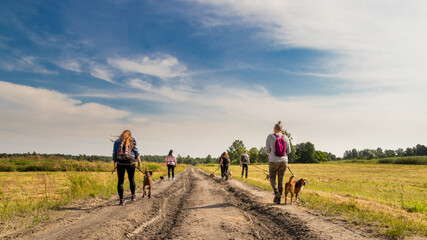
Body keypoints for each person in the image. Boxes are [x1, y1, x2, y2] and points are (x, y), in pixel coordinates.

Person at [113, 129, 142, 205]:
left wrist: (115, 165)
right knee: (131, 179)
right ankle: (133, 196)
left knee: (120, 181)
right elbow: (136, 151)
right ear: (129, 135)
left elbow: (115, 153)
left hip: (120, 163)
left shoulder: (117, 142)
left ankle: (121, 200)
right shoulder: (132, 139)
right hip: (130, 162)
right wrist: (139, 162)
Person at [266, 121, 291, 204]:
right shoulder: (286, 137)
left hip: (273, 160)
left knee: (272, 178)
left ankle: (276, 193)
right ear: (281, 129)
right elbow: (289, 151)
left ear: (274, 129)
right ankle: (279, 198)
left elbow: (267, 150)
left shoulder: (270, 137)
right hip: (284, 161)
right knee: (281, 179)